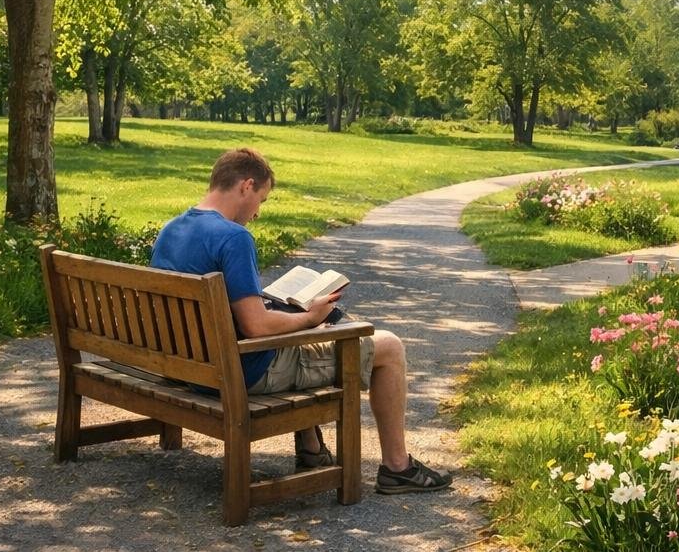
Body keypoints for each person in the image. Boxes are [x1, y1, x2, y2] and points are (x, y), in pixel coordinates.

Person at [150, 147, 453, 494]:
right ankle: (398, 468)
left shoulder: (172, 228)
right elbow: (256, 327)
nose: (257, 213)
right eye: (261, 200)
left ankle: (312, 450)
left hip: (190, 369)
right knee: (389, 347)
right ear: (247, 185)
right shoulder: (233, 237)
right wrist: (310, 317)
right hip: (240, 375)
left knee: (307, 336)